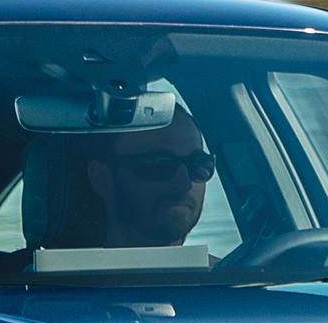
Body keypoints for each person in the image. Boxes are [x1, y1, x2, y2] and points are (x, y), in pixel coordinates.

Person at [34, 102, 218, 250]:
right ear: (101, 178)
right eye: (158, 164)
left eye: (199, 164)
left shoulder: (232, 282)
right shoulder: (31, 289)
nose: (184, 183)